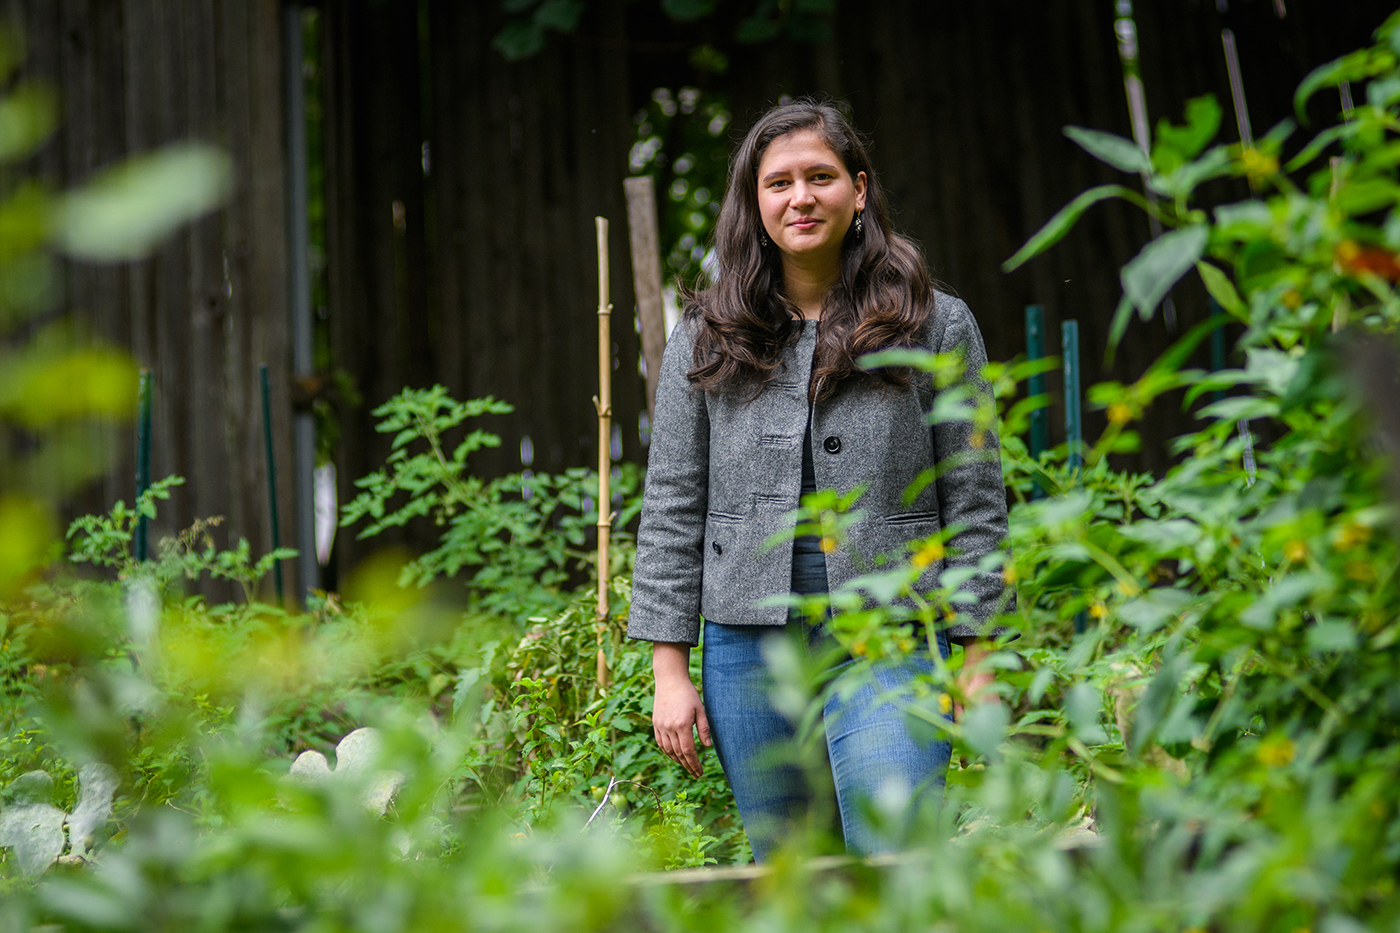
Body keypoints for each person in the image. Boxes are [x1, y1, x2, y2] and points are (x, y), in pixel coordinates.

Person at [626, 100, 1011, 862]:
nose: (800, 197)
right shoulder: (706, 336)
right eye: (779, 183)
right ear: (754, 203)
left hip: (891, 630)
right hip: (745, 645)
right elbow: (672, 502)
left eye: (820, 177)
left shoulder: (935, 325)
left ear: (859, 190)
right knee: (797, 877)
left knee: (895, 857)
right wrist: (669, 668)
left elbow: (973, 497)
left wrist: (978, 654)